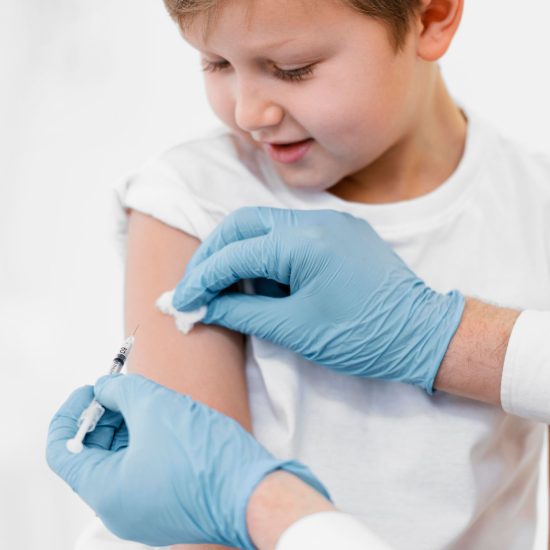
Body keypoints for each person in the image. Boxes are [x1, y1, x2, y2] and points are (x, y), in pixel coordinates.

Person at [85, 0, 550, 548]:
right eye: (216, 63)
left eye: (293, 69)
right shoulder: (195, 202)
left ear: (432, 17)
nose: (248, 112)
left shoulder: (532, 201)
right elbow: (194, 524)